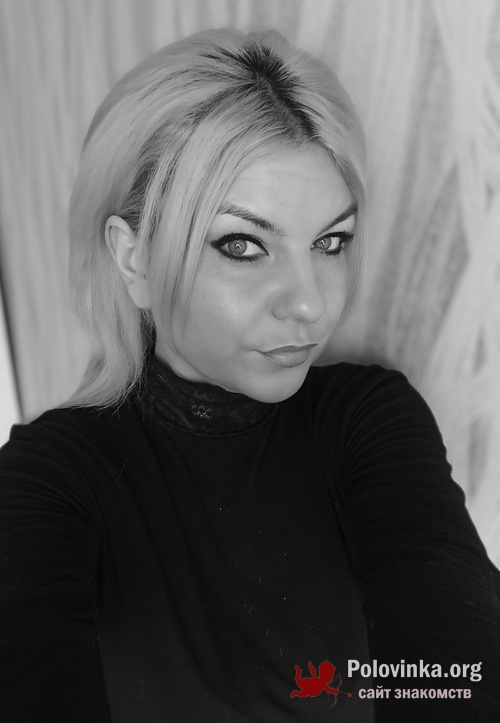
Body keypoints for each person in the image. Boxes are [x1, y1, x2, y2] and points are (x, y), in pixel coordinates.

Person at [0, 27, 499, 723]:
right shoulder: (50, 478)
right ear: (134, 259)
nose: (310, 303)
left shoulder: (367, 419)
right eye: (242, 244)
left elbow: (455, 661)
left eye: (331, 241)